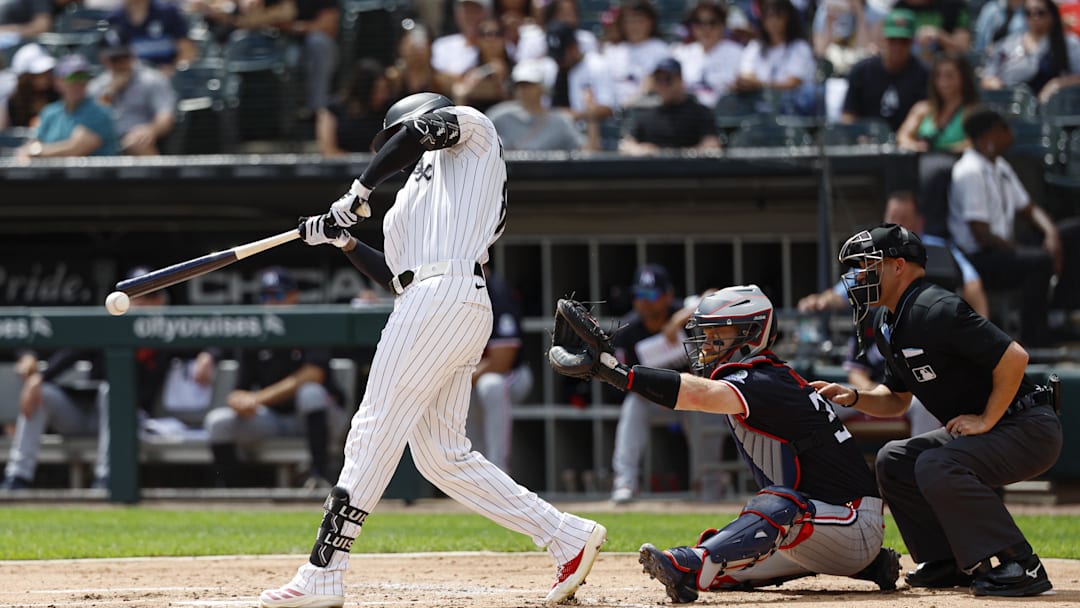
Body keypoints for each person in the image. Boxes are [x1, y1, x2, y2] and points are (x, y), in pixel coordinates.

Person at [259, 92, 606, 608]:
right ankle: (566, 535)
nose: (395, 151)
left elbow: (418, 135)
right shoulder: (408, 206)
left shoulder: (472, 129)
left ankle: (324, 570)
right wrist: (345, 241)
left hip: (446, 296)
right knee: (442, 458)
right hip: (434, 301)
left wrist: (357, 189)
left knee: (374, 424)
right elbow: (399, 278)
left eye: (392, 140)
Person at [547, 286, 900, 599]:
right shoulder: (764, 376)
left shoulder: (763, 377)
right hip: (828, 521)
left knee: (775, 506)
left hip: (851, 520)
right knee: (719, 570)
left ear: (750, 335)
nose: (707, 344)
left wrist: (621, 374)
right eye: (708, 334)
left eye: (719, 334)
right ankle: (873, 566)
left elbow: (699, 396)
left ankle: (690, 561)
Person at [814, 223, 1061, 597]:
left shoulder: (935, 307)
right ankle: (946, 560)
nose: (860, 276)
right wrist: (853, 397)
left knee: (936, 463)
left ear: (898, 266)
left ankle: (1018, 562)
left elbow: (1014, 357)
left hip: (1027, 426)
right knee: (894, 459)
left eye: (869, 266)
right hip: (997, 429)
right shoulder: (888, 322)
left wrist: (985, 419)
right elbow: (897, 399)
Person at [0, 268, 216, 490]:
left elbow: (215, 338)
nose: (141, 302)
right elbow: (70, 354)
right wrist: (39, 379)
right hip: (85, 415)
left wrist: (208, 356)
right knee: (43, 393)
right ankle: (17, 478)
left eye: (149, 295)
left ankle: (105, 480)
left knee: (113, 391)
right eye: (136, 294)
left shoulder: (166, 335)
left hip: (131, 421)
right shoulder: (107, 326)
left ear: (161, 301)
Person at [947, 106, 1080, 346]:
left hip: (1001, 248)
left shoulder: (1000, 166)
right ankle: (1034, 337)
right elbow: (981, 234)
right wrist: (1018, 248)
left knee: (1072, 233)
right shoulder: (969, 171)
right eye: (1003, 128)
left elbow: (1029, 208)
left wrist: (1051, 234)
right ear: (989, 136)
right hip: (978, 258)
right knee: (1038, 260)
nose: (1010, 133)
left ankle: (1060, 316)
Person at [204, 266, 345, 489]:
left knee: (310, 393)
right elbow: (241, 388)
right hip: (274, 419)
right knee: (218, 422)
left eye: (278, 295)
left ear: (294, 296)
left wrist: (258, 398)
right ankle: (232, 493)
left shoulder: (311, 324)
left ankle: (320, 476)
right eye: (266, 295)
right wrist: (237, 400)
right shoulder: (257, 333)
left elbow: (313, 374)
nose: (271, 301)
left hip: (322, 419)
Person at [798, 190, 989, 319]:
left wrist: (980, 333)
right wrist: (820, 301)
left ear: (920, 222)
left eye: (903, 219)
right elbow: (844, 291)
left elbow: (972, 284)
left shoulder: (941, 248)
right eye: (891, 219)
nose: (896, 226)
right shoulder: (873, 253)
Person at [608, 264, 698, 504]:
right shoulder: (627, 330)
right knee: (631, 407)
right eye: (639, 295)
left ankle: (708, 481)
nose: (644, 302)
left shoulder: (684, 314)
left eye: (651, 295)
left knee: (709, 408)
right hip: (651, 399)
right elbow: (620, 379)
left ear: (668, 295)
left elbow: (716, 297)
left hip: (693, 397)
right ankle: (625, 481)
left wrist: (679, 320)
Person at [465, 264, 532, 473]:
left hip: (512, 375)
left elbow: (501, 362)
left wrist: (461, 379)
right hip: (473, 376)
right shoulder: (457, 293)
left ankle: (498, 469)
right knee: (457, 392)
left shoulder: (498, 293)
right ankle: (475, 474)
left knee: (490, 385)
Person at [89, 28, 178, 156]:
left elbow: (166, 117)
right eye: (115, 59)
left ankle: (159, 175)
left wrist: (150, 129)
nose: (120, 63)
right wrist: (110, 92)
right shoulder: (97, 86)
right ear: (104, 60)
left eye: (124, 57)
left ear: (132, 54)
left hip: (139, 139)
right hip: (104, 142)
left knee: (137, 142)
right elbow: (92, 121)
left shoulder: (152, 79)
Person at [15, 54, 120, 160]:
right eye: (73, 77)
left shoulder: (101, 112)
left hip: (95, 176)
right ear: (58, 82)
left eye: (83, 77)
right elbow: (30, 146)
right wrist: (28, 153)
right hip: (51, 175)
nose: (79, 82)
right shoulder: (50, 112)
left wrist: (37, 151)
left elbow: (75, 148)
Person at [842, 8, 928, 132]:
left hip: (909, 141)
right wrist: (854, 136)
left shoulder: (924, 74)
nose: (897, 47)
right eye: (892, 40)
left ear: (912, 42)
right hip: (867, 141)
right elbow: (848, 115)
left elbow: (928, 116)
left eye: (904, 41)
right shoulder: (862, 71)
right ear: (883, 39)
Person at [981, 0, 1080, 102]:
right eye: (1028, 13)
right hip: (1013, 107)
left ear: (1052, 15)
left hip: (1054, 108)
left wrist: (1058, 84)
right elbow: (988, 77)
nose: (1034, 17)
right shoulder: (1007, 44)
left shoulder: (1069, 44)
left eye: (1040, 12)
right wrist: (999, 88)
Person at [618, 58, 720, 155]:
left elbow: (712, 146)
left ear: (680, 81)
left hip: (689, 170)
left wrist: (679, 155)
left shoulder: (699, 112)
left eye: (668, 79)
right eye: (658, 80)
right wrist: (641, 150)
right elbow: (626, 145)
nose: (662, 85)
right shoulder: (645, 112)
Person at [734, 0, 817, 114]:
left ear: (788, 17)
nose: (773, 21)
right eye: (768, 15)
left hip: (792, 112)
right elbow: (745, 76)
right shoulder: (755, 46)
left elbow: (792, 83)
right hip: (758, 110)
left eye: (778, 15)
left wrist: (759, 84)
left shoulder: (800, 47)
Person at [544, 19, 616, 151]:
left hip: (586, 133)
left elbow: (608, 108)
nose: (559, 61)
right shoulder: (549, 67)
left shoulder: (596, 65)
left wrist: (573, 115)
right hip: (551, 134)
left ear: (574, 47)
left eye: (562, 55)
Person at [486, 59, 582, 151]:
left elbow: (583, 152)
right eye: (519, 85)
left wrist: (591, 121)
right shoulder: (499, 116)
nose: (523, 90)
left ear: (542, 87)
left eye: (529, 85)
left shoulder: (560, 121)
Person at [896, 54, 977, 153]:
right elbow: (903, 136)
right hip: (923, 163)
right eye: (938, 76)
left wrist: (941, 151)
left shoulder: (971, 112)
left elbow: (973, 143)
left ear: (963, 78)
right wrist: (915, 146)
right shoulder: (922, 109)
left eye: (949, 76)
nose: (943, 81)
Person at [670, 1, 744, 107]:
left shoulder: (738, 53)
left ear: (723, 24)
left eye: (712, 22)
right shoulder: (679, 52)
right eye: (698, 22)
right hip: (685, 116)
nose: (706, 28)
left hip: (723, 116)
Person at [602, 0, 670, 108]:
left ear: (651, 22)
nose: (634, 26)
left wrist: (628, 105)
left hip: (646, 110)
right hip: (611, 110)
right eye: (630, 21)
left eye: (639, 20)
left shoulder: (660, 49)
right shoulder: (612, 50)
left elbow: (653, 85)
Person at [317, 59, 390, 156]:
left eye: (385, 90)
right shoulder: (332, 109)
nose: (383, 96)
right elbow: (328, 151)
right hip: (339, 169)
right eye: (377, 90)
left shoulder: (386, 111)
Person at [106, 0, 197, 73]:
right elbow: (112, 61)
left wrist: (172, 70)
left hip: (168, 83)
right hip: (132, 84)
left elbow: (187, 52)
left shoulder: (168, 12)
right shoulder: (114, 19)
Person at [450, 17, 513, 112]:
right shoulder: (470, 70)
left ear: (504, 39)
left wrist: (501, 81)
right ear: (478, 40)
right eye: (486, 34)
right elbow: (460, 96)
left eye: (497, 34)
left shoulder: (516, 70)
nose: (491, 39)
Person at [3, 42, 57, 129]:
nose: (45, 76)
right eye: (38, 73)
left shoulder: (57, 94)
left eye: (47, 72)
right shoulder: (12, 101)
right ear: (24, 77)